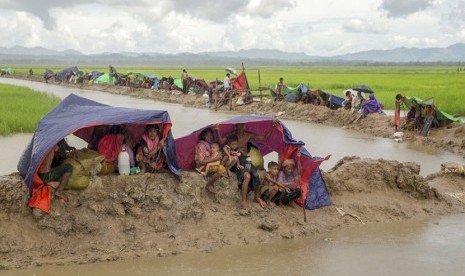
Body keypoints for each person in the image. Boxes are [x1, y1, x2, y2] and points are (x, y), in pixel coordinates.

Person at [215, 121, 277, 210]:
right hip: (235, 158)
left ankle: (257, 197)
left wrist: (272, 128)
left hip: (244, 158)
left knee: (256, 174)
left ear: (245, 126)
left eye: (242, 125)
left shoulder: (248, 135)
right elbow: (221, 141)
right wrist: (217, 130)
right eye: (239, 124)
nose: (241, 126)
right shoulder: (232, 135)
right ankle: (243, 202)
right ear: (236, 125)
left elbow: (263, 138)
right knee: (247, 176)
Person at [195, 128, 225, 193]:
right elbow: (201, 161)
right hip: (201, 165)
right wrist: (215, 159)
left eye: (211, 135)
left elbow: (214, 154)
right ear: (203, 136)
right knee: (221, 169)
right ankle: (210, 184)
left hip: (208, 163)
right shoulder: (201, 145)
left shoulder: (209, 145)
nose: (210, 137)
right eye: (207, 136)